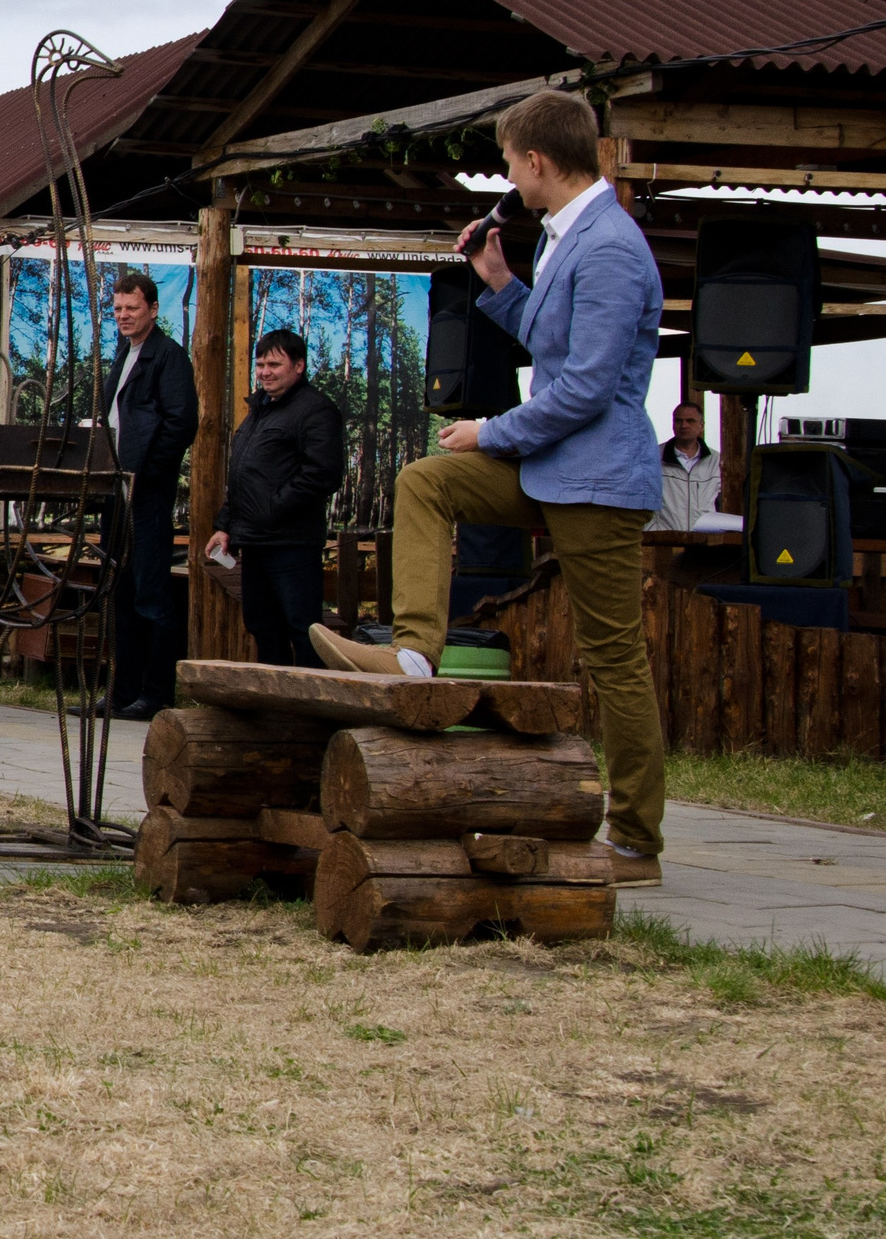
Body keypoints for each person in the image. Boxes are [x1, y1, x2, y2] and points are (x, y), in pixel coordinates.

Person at [310, 88, 666, 888]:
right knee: (427, 482)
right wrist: (499, 279)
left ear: (536, 162)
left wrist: (491, 431)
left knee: (614, 659)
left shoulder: (609, 245)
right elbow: (552, 336)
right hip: (555, 468)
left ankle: (639, 840)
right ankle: (413, 656)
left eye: (508, 161)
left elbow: (587, 387)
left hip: (599, 479)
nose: (506, 173)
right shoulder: (574, 235)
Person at [204, 329, 344, 670]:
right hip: (254, 541)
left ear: (298, 366)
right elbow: (244, 478)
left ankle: (312, 714)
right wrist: (225, 525)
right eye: (260, 364)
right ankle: (274, 712)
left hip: (292, 542)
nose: (265, 371)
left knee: (304, 630)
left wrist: (272, 510)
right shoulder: (260, 409)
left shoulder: (316, 410)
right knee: (263, 628)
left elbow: (322, 474)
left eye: (274, 364)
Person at [100, 271, 198, 722]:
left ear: (153, 310)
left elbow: (181, 422)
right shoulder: (123, 354)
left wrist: (148, 472)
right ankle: (122, 690)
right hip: (116, 487)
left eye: (132, 308)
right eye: (118, 308)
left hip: (148, 491)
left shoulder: (168, 358)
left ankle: (157, 693)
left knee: (151, 593)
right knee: (120, 589)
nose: (123, 316)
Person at [647, 402, 722, 532]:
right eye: (678, 421)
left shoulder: (716, 460)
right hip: (663, 540)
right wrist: (651, 530)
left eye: (690, 421)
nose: (684, 425)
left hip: (703, 541)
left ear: (701, 426)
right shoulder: (653, 457)